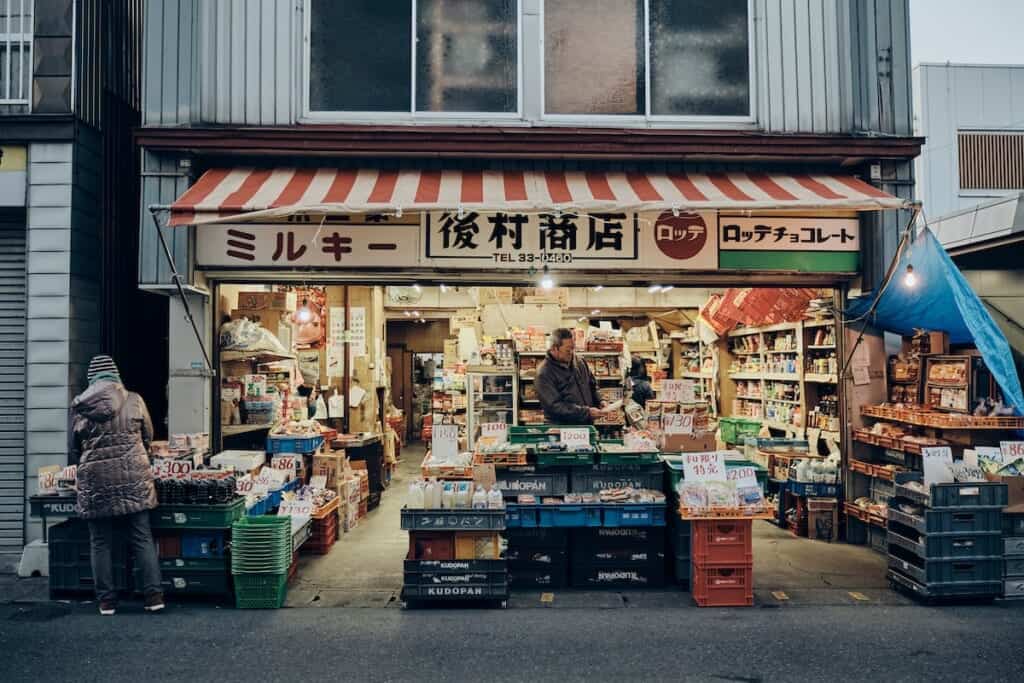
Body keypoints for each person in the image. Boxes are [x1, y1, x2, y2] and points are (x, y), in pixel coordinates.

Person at [69, 355, 163, 616]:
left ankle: (107, 601)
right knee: (142, 537)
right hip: (134, 477)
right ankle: (153, 596)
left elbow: (74, 447)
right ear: (116, 375)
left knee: (100, 541)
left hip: (95, 481)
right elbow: (148, 436)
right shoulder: (134, 400)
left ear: (92, 378)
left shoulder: (81, 406)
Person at [535, 328, 605, 424]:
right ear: (554, 349)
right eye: (568, 350)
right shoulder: (544, 373)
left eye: (573, 348)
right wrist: (586, 412)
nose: (572, 352)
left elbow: (593, 385)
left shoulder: (580, 362)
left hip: (586, 425)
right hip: (562, 429)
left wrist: (600, 400)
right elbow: (555, 406)